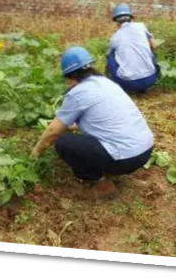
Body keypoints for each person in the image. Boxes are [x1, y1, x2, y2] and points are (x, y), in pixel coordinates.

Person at [30, 46, 154, 199]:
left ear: (69, 77)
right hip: (146, 150)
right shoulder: (106, 83)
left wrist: (35, 153)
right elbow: (101, 119)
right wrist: (69, 126)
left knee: (63, 141)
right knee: (72, 137)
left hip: (126, 159)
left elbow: (53, 132)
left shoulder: (78, 92)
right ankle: (109, 167)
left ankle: (103, 185)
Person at [106, 3, 159, 94]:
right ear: (131, 18)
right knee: (150, 48)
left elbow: (107, 56)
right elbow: (154, 45)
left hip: (128, 83)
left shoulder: (115, 37)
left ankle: (115, 85)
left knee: (110, 54)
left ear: (117, 22)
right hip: (151, 78)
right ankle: (143, 89)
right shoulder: (141, 26)